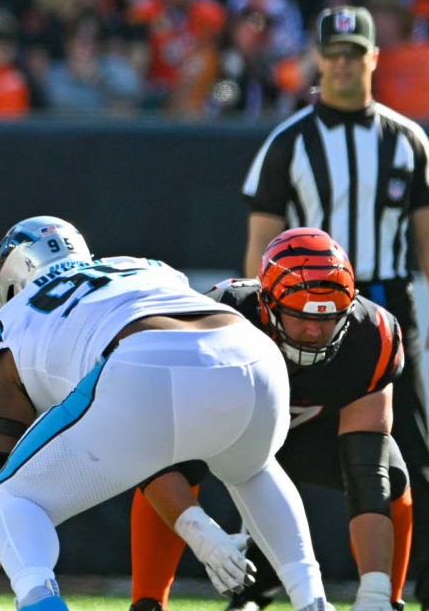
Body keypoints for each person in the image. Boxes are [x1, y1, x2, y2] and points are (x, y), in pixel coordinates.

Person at [0, 216, 330, 611]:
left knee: (5, 500)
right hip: (253, 354)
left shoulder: (6, 325)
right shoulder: (139, 264)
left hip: (141, 363)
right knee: (254, 470)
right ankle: (314, 601)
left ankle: (42, 603)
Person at [243, 4, 429, 607]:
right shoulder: (288, 142)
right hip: (301, 313)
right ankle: (263, 583)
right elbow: (258, 254)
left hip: (389, 310)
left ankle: (407, 584)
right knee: (271, 447)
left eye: (355, 53)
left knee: (409, 458)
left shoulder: (408, 142)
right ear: (318, 60)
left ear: (375, 57)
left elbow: (426, 247)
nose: (344, 64)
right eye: (334, 54)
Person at [131, 228, 410, 611]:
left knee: (388, 472)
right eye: (299, 317)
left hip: (310, 435)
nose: (314, 330)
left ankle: (382, 599)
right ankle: (147, 603)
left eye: (328, 319)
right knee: (171, 458)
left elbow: (368, 465)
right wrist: (201, 533)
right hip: (225, 431)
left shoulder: (371, 336)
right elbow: (153, 441)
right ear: (267, 304)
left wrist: (374, 594)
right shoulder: (219, 316)